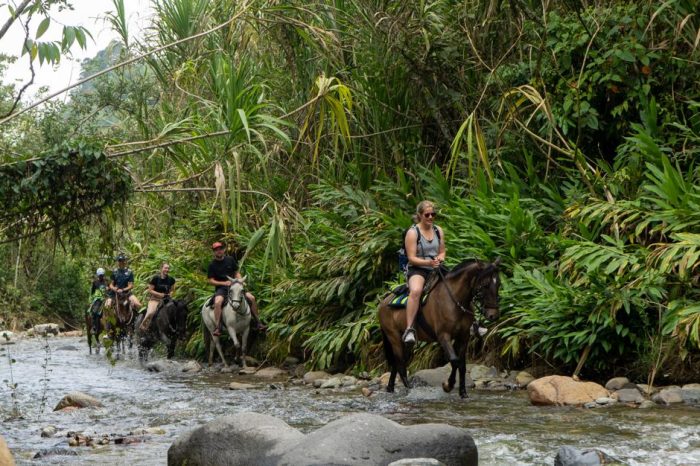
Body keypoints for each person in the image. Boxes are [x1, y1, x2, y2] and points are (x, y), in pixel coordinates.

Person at [403, 201, 445, 344]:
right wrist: (428, 262)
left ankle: (473, 323)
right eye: (427, 214)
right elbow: (411, 258)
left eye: (433, 214)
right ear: (420, 215)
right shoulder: (413, 233)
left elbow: (442, 251)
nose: (431, 217)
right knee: (416, 291)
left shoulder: (438, 230)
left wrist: (440, 258)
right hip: (418, 268)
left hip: (436, 267)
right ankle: (409, 329)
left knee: (461, 283)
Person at [207, 241, 266, 336]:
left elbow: (236, 272)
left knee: (251, 298)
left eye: (220, 249)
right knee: (218, 302)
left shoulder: (230, 259)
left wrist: (240, 280)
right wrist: (224, 283)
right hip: (222, 289)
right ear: (214, 252)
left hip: (235, 286)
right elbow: (211, 280)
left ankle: (258, 322)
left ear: (223, 249)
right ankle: (218, 327)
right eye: (216, 250)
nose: (219, 251)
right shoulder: (212, 265)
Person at [139, 262, 176, 332]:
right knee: (151, 312)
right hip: (155, 299)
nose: (167, 269)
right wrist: (159, 294)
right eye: (165, 268)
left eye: (168, 268)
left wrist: (171, 293)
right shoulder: (156, 278)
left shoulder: (171, 279)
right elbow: (150, 290)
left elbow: (172, 290)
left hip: (167, 300)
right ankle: (144, 327)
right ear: (161, 269)